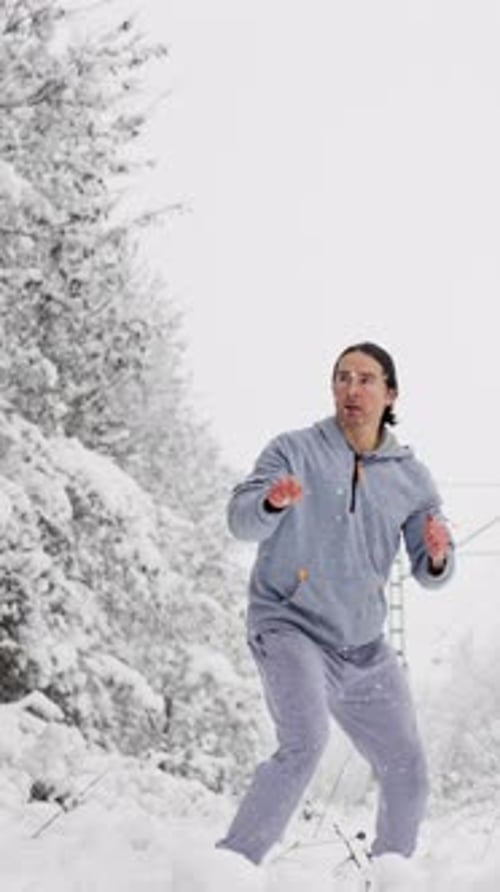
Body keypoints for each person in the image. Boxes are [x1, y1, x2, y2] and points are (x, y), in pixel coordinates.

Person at [214, 341, 454, 892]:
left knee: (408, 769)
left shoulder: (411, 478)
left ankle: (391, 877)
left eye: (366, 379)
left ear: (390, 393)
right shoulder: (294, 450)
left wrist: (438, 552)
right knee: (306, 740)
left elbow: (430, 566)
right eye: (342, 377)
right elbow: (240, 520)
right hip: (289, 625)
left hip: (364, 649)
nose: (352, 388)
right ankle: (229, 870)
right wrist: (270, 503)